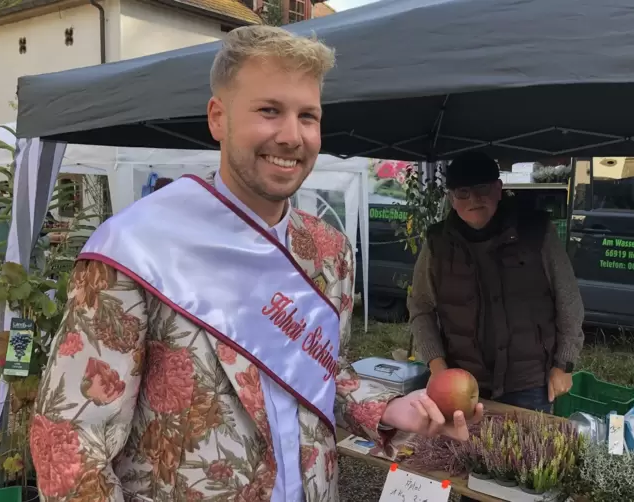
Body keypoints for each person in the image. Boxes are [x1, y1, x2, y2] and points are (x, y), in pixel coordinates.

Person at [30, 26, 483, 502]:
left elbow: (322, 367)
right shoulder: (136, 247)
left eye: (307, 116)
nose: (291, 136)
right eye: (269, 110)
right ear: (218, 118)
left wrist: (387, 409)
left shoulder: (329, 251)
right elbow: (72, 440)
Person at [408, 151, 584, 414]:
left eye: (482, 190)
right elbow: (420, 307)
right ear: (451, 198)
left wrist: (564, 365)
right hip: (461, 383)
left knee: (526, 455)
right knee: (461, 453)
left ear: (499, 189)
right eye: (463, 193)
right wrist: (437, 368)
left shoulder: (537, 233)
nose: (474, 200)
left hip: (529, 382)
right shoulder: (437, 244)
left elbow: (569, 301)